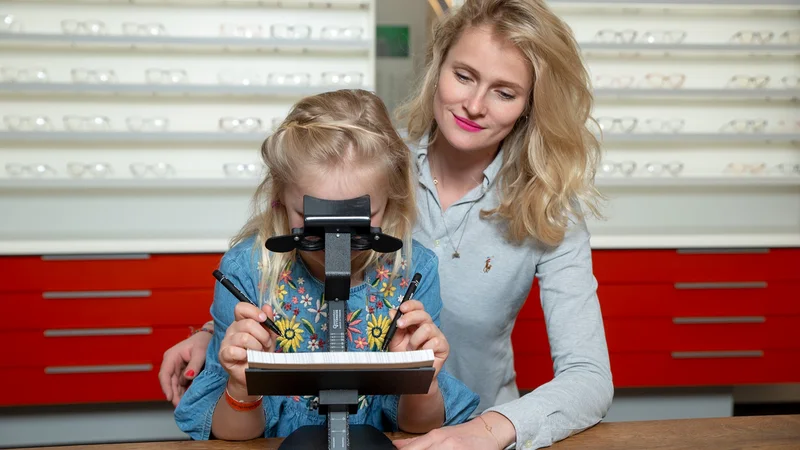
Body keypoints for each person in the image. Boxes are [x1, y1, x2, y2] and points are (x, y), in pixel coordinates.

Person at [163, 0, 613, 448]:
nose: (474, 105)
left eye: (505, 92)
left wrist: (484, 432)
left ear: (531, 106)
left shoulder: (550, 208)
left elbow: (589, 377)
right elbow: (279, 258)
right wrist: (222, 336)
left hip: (475, 427)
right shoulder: (367, 157)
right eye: (463, 75)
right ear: (437, 66)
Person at [173, 89, 480, 440]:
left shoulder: (413, 271)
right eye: (311, 218)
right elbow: (234, 436)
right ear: (280, 197)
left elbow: (418, 426)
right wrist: (243, 385)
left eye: (358, 219)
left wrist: (420, 377)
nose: (337, 240)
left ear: (391, 200)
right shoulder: (246, 272)